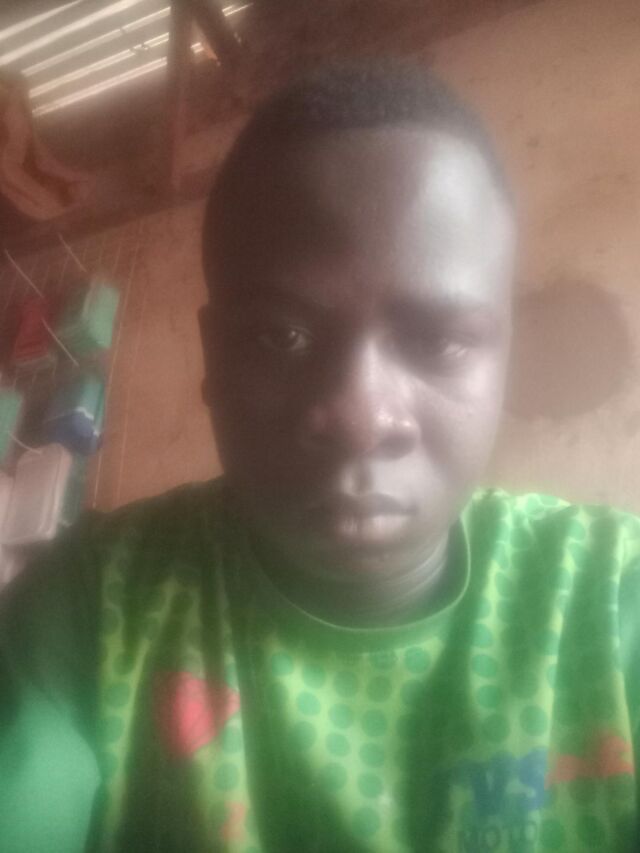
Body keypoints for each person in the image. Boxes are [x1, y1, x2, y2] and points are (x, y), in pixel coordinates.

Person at [1, 60, 639, 853]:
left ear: (503, 356)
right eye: (280, 335)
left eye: (439, 339)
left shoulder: (608, 600)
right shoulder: (90, 612)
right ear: (214, 359)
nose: (359, 416)